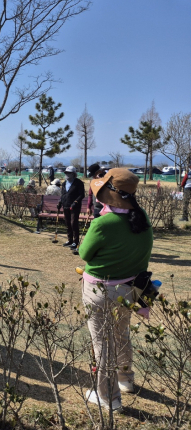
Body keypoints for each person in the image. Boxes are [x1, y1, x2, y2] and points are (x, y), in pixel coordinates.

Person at [79, 168, 153, 411]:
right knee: (121, 335)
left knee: (101, 343)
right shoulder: (141, 217)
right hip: (130, 289)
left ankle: (108, 398)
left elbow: (84, 253)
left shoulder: (104, 222)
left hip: (100, 290)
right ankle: (126, 380)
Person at [58, 166, 84, 250]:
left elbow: (81, 195)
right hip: (65, 205)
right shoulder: (64, 183)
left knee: (73, 223)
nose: (67, 174)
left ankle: (75, 242)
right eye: (66, 173)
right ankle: (70, 240)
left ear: (73, 174)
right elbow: (63, 194)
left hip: (74, 207)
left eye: (69, 173)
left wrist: (75, 202)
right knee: (67, 223)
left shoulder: (78, 183)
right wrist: (60, 202)